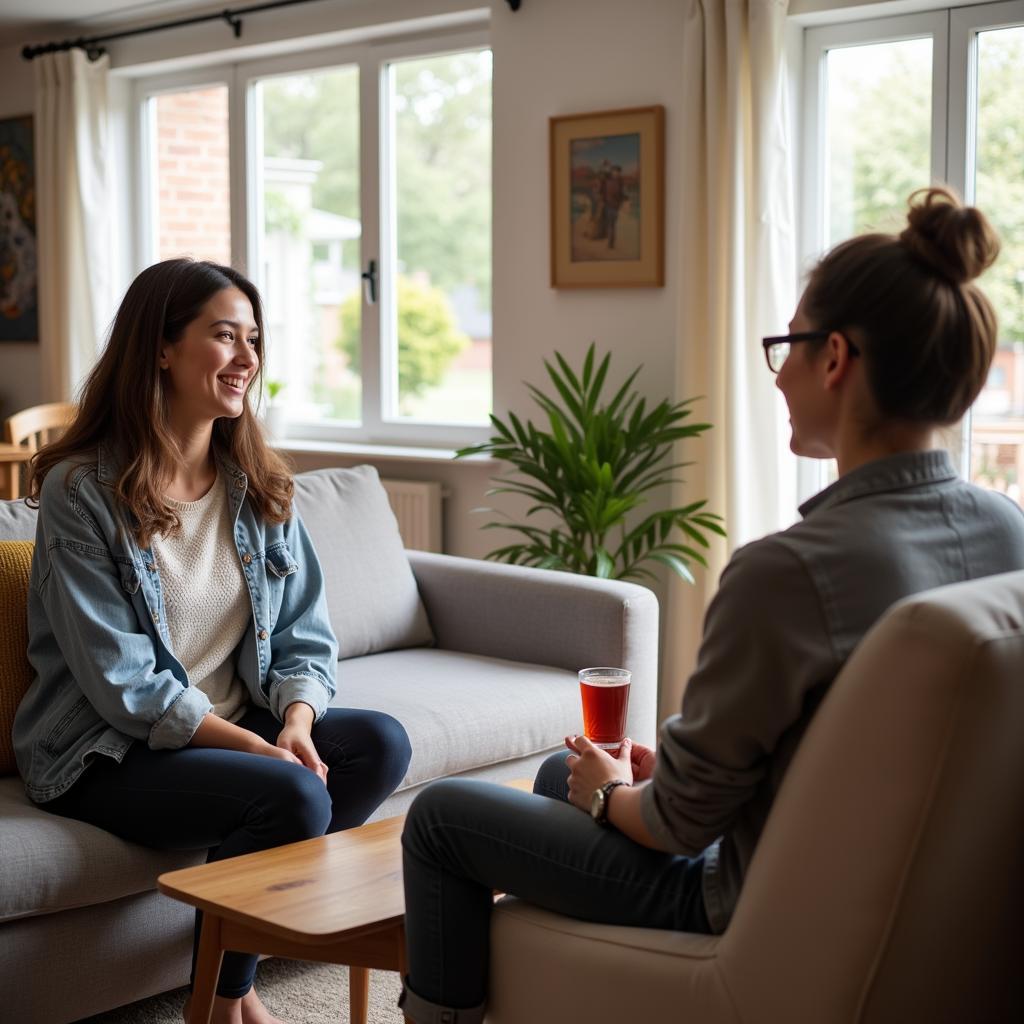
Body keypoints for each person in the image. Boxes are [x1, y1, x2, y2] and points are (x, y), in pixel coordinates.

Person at [396, 186, 1024, 1023]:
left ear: (834, 358)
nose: (781, 372)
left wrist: (611, 792)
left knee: (442, 817)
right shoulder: (1008, 531)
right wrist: (624, 783)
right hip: (913, 890)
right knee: (561, 773)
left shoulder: (789, 573)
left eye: (787, 346)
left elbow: (676, 828)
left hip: (756, 900)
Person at [12, 258, 413, 1024]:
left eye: (253, 339)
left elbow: (304, 634)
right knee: (293, 789)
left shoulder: (258, 482)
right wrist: (256, 751)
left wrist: (294, 721)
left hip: (226, 725)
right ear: (161, 348)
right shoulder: (81, 491)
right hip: (105, 749)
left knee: (380, 744)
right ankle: (223, 1003)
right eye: (224, 336)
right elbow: (121, 681)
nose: (247, 360)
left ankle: (226, 979)